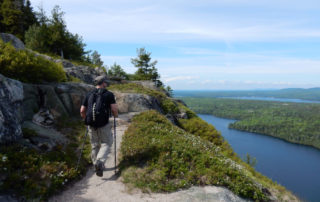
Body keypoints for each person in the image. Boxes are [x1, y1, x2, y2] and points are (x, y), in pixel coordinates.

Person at [80, 76, 118, 177]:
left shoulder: (89, 94)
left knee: (94, 144)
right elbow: (114, 109)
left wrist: (86, 120)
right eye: (106, 82)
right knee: (107, 142)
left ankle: (95, 165)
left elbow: (82, 110)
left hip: (91, 124)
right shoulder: (109, 94)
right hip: (103, 124)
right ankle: (100, 162)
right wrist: (115, 115)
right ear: (103, 83)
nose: (107, 83)